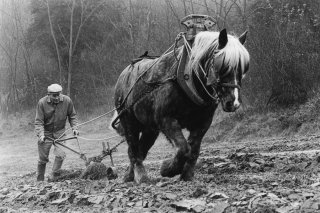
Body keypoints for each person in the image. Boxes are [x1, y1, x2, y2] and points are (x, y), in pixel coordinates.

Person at [34, 84, 79, 181]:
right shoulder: (42, 103)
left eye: (58, 94)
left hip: (60, 132)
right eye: (54, 95)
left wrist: (74, 128)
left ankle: (53, 178)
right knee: (43, 159)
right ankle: (39, 181)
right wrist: (41, 135)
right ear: (48, 94)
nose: (57, 97)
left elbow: (72, 116)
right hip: (46, 133)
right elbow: (39, 122)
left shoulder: (67, 101)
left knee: (60, 155)